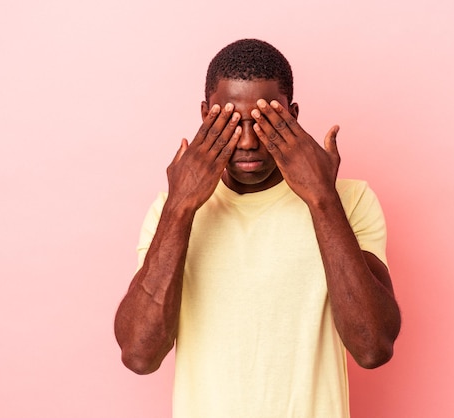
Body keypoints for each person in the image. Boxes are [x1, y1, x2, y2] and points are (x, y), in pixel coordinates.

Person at [114, 38, 401, 418]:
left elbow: (373, 347)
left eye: (264, 121)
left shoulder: (348, 200)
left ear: (292, 115)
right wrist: (180, 207)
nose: (248, 142)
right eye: (229, 121)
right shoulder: (169, 212)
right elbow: (138, 355)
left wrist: (322, 199)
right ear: (205, 115)